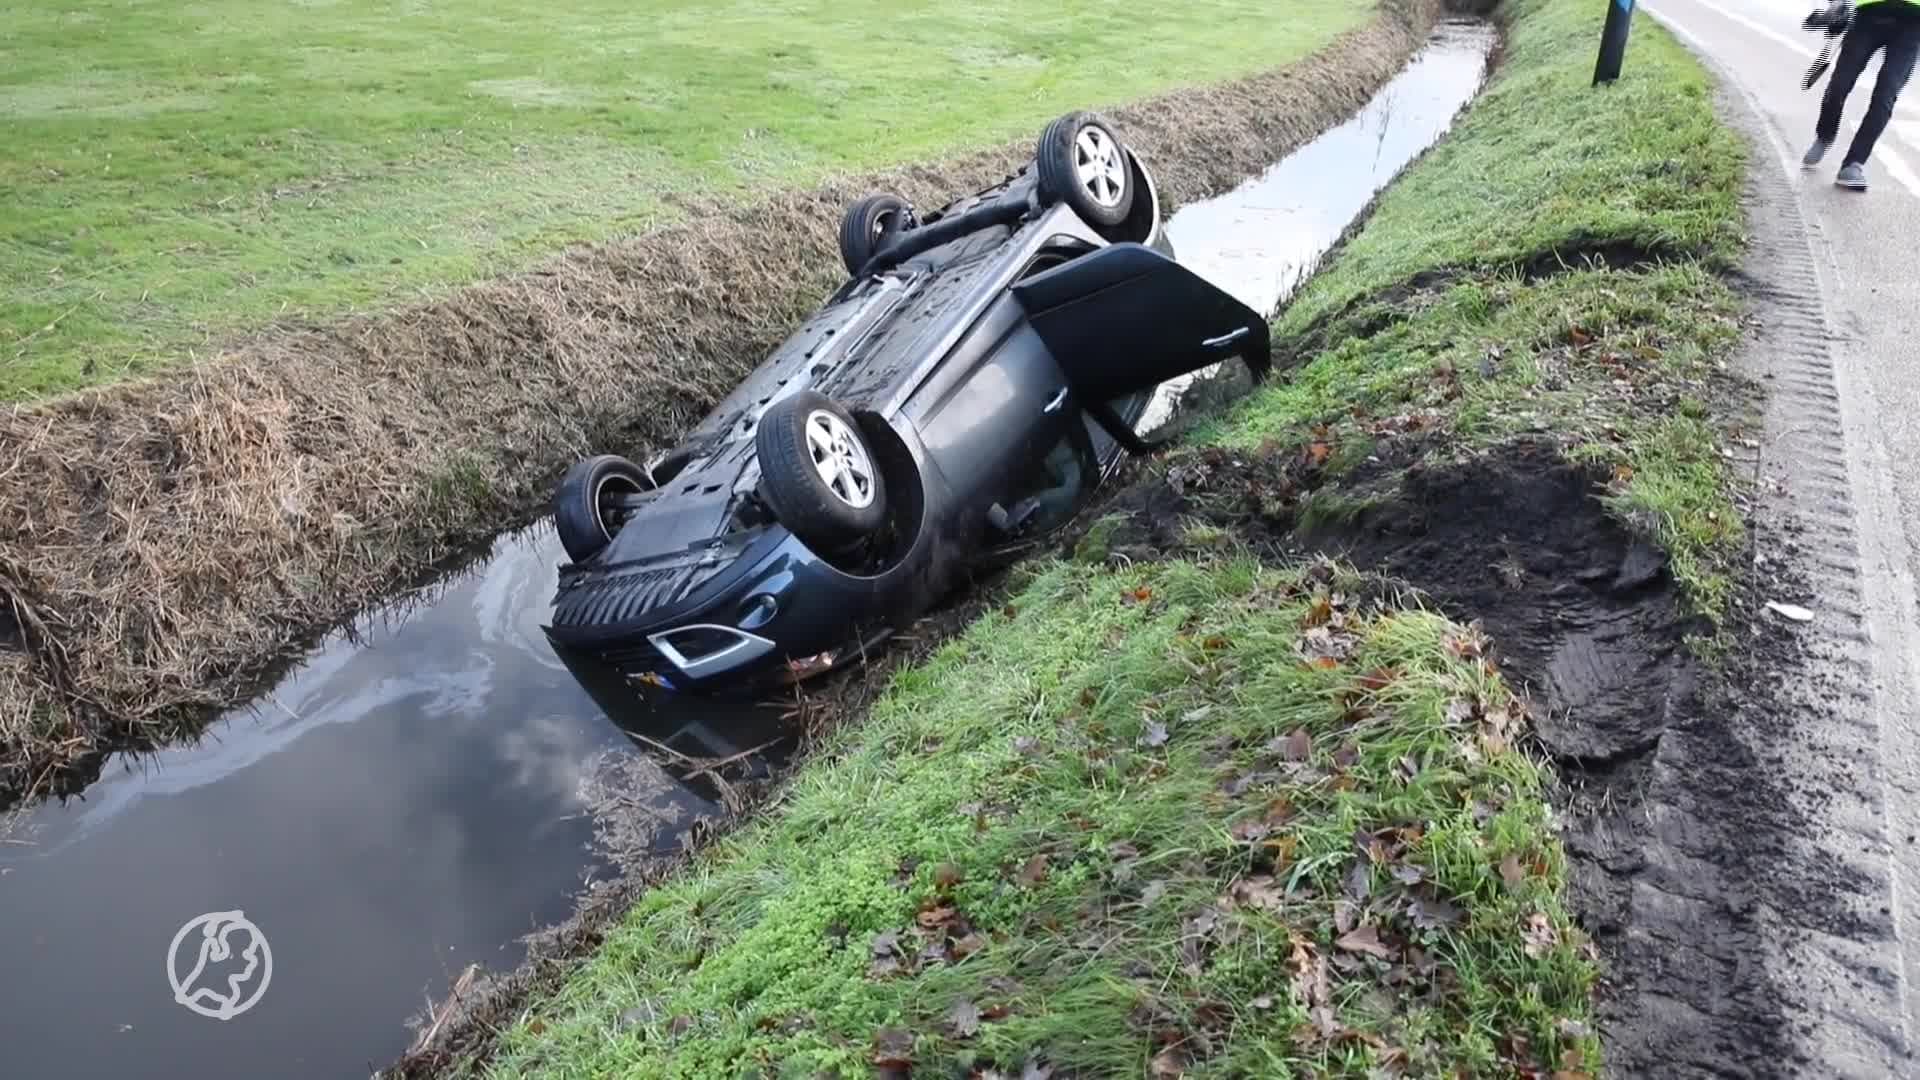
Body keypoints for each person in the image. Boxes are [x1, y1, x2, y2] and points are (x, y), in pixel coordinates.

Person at [1804, 0, 1920, 191]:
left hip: (1912, 23)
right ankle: (1825, 135)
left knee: (1885, 95)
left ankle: (1854, 164)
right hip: (1868, 15)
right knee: (1839, 86)